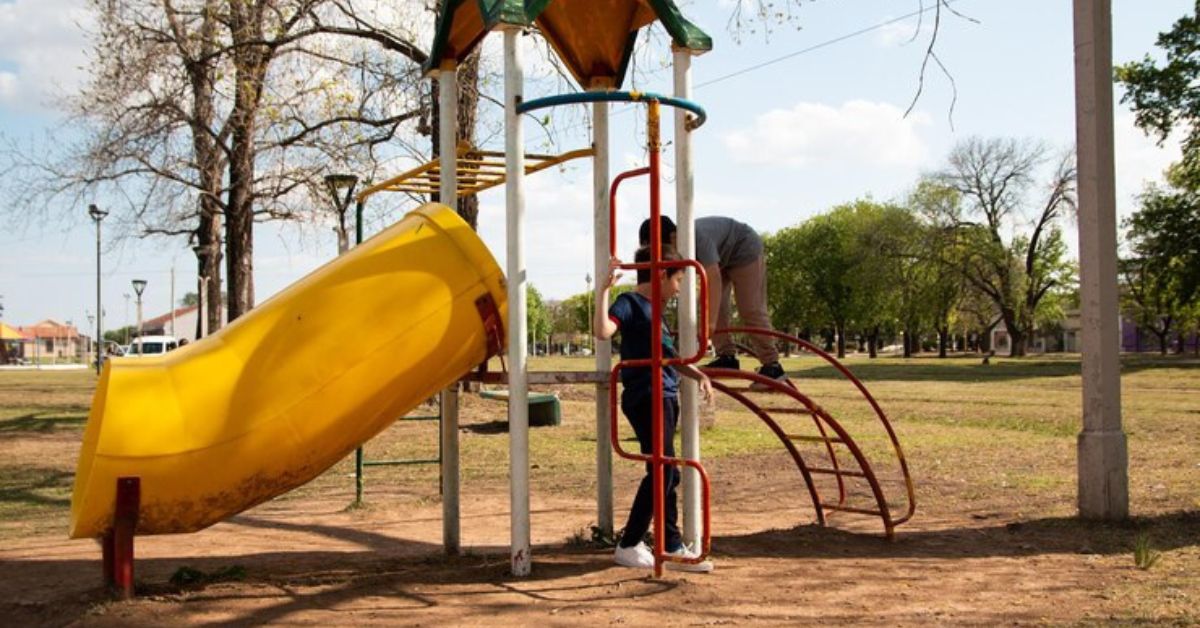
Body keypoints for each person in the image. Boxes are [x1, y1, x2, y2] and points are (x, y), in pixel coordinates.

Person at [594, 245, 715, 573]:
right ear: (661, 274)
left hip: (665, 393)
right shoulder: (630, 303)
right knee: (663, 470)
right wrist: (603, 290)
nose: (678, 288)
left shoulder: (656, 311)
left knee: (668, 471)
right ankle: (630, 542)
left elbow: (669, 356)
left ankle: (671, 544)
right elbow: (603, 331)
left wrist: (697, 373)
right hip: (647, 396)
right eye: (677, 279)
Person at [639, 216, 787, 387]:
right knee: (709, 304)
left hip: (744, 248)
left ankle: (773, 366)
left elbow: (713, 278)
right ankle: (727, 357)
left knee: (750, 308)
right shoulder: (678, 247)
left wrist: (709, 324)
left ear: (672, 238)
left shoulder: (697, 237)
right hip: (722, 259)